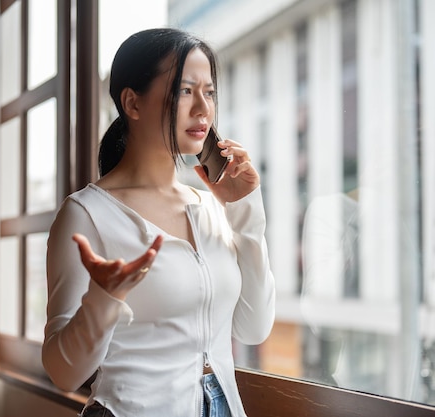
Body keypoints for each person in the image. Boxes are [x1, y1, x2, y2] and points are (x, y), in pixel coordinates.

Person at [42, 28, 275, 417]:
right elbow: (62, 372)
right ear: (133, 103)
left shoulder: (211, 206)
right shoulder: (86, 214)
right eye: (185, 91)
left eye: (210, 92)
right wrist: (103, 299)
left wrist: (245, 209)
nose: (203, 108)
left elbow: (253, 328)